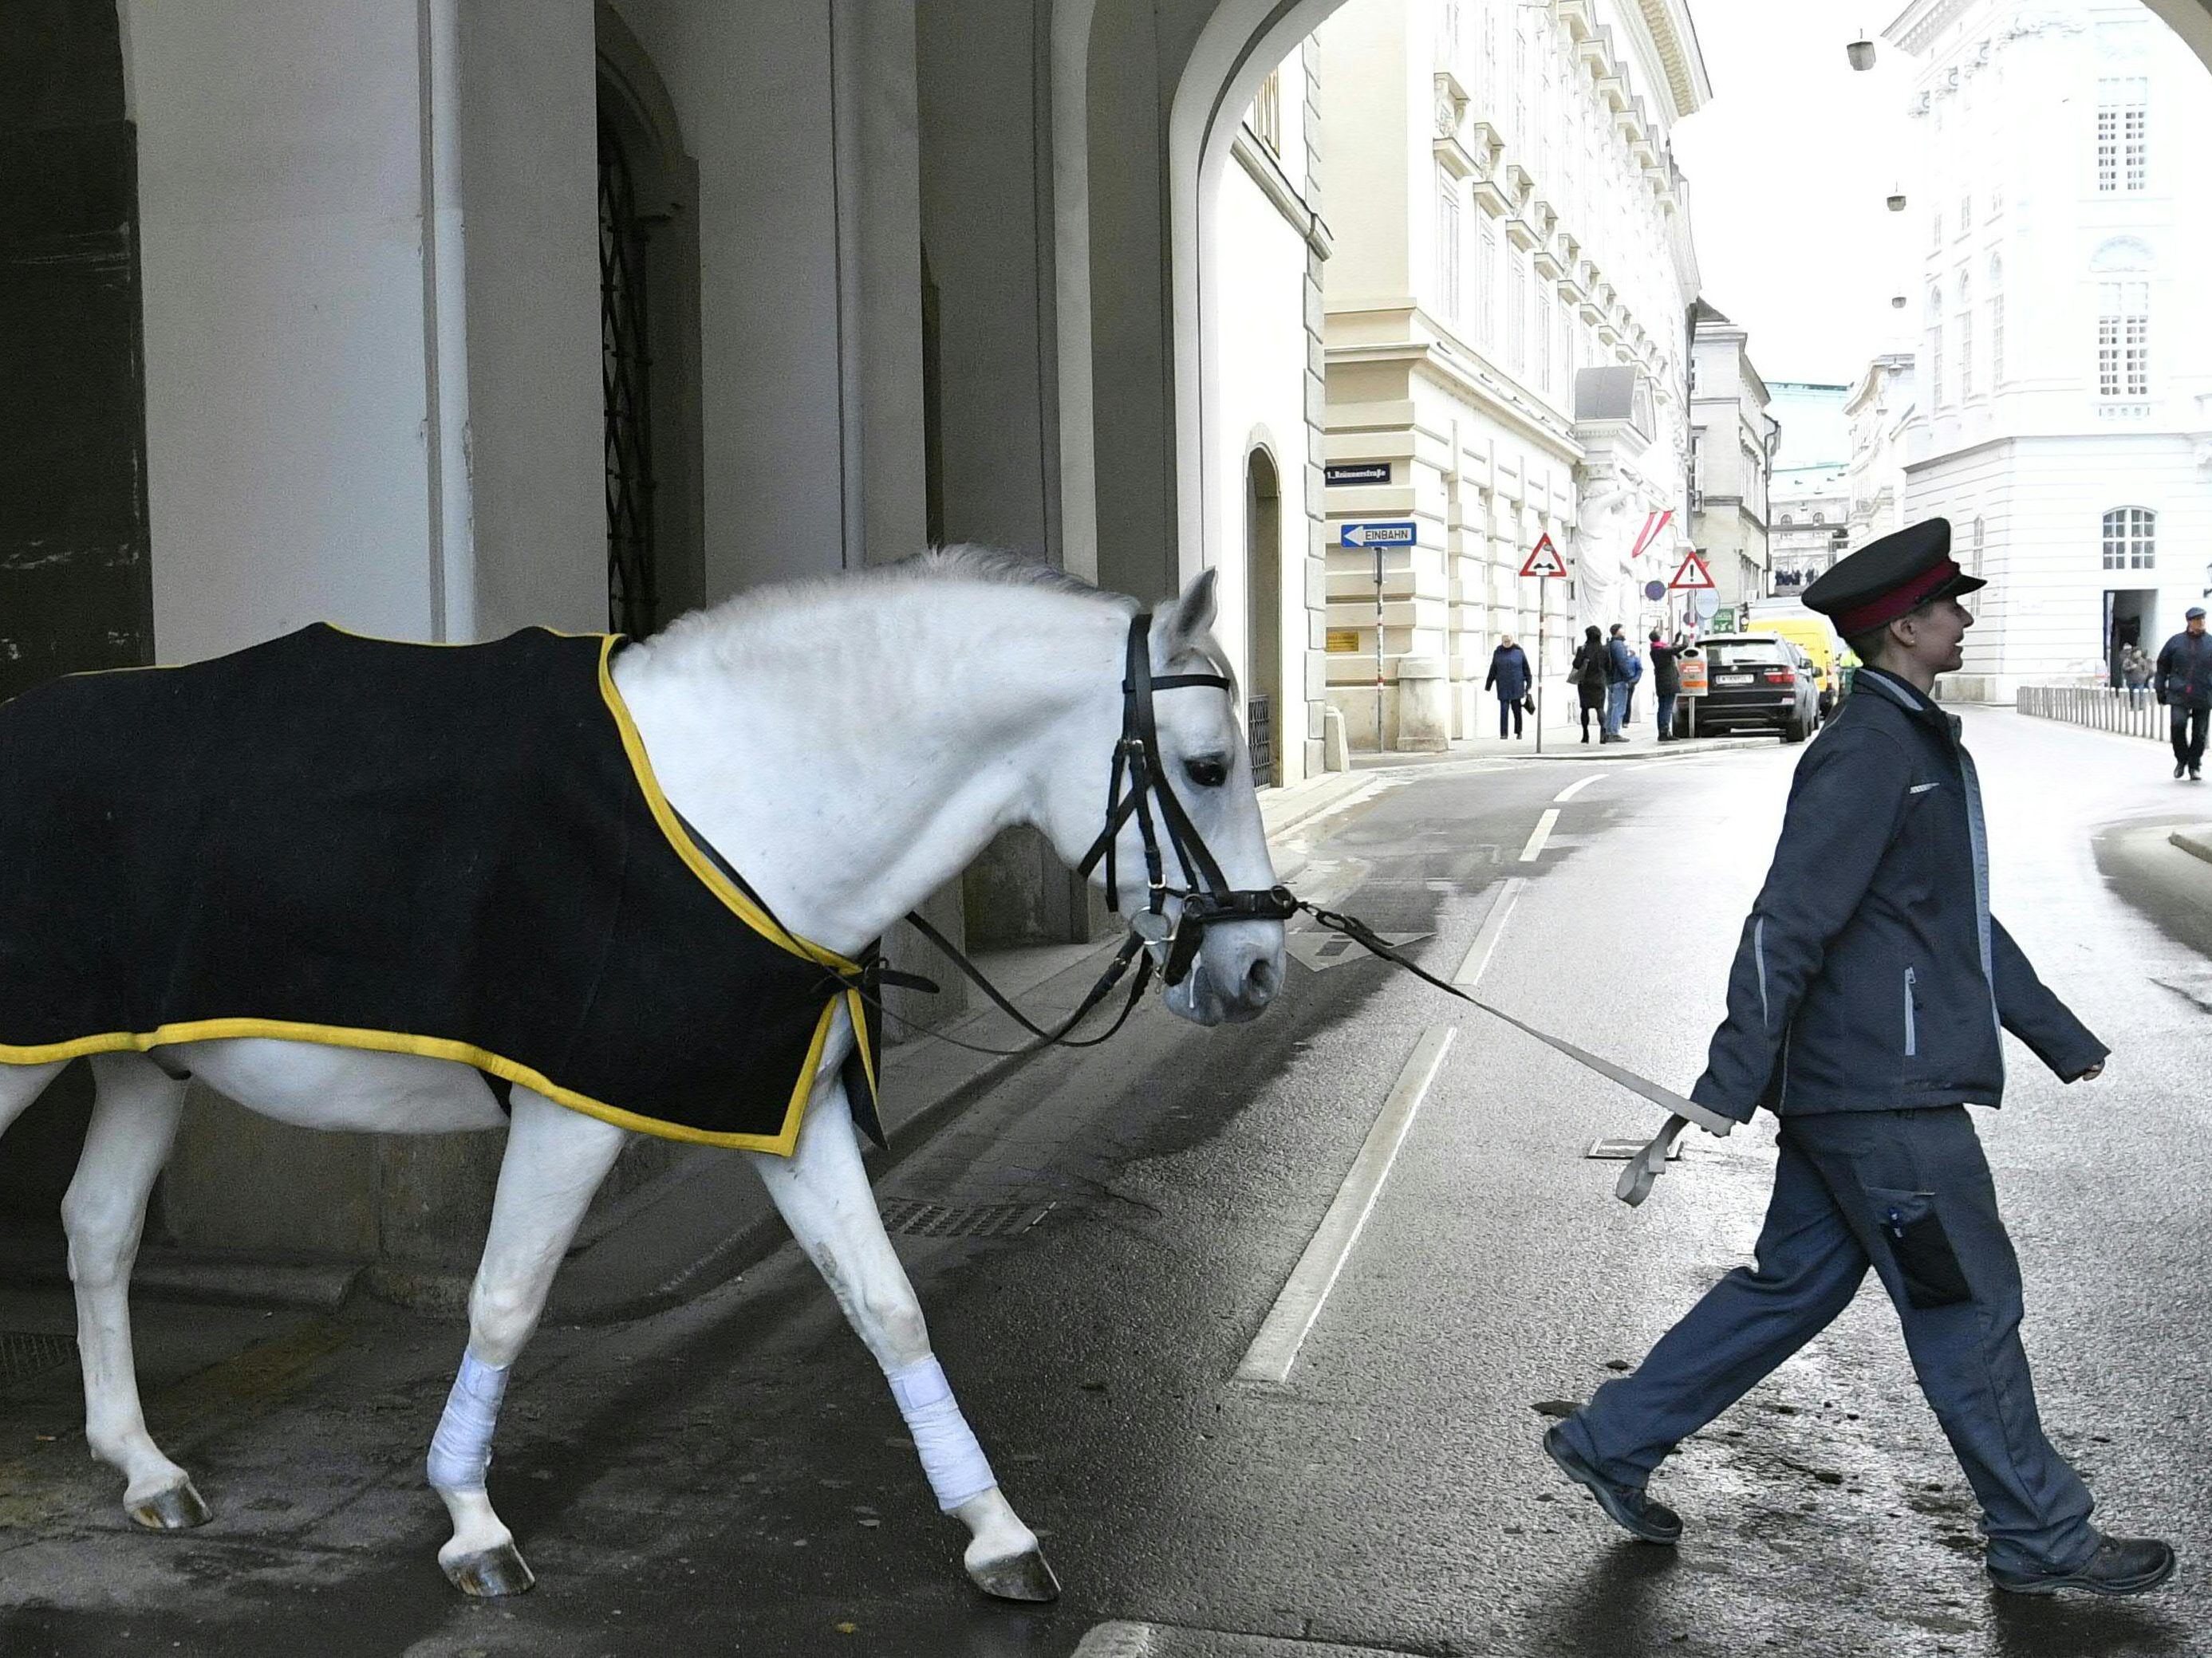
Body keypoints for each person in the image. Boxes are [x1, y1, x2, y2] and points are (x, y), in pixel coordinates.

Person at [1544, 516, 2174, 1600]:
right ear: (1901, 628)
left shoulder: (1910, 734)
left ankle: (1614, 1437)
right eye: (1950, 605)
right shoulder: (1873, 749)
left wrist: (2056, 1033)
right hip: (1884, 1096)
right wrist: (1727, 1079)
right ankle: (2038, 1528)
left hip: (1868, 1084)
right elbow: (1785, 918)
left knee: (1788, 1285)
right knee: (1966, 1302)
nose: (1965, 617)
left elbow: (1947, 918)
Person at [2154, 607, 2212, 781]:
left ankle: (2194, 765)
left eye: (2203, 619)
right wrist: (2160, 688)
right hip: (2179, 693)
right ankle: (2181, 759)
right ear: (2189, 622)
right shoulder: (2176, 642)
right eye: (2197, 620)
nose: (2201, 623)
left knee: (2200, 734)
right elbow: (2162, 665)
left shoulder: (2210, 643)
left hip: (2204, 693)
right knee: (2177, 726)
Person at [1485, 636, 1532, 740]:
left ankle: (1519, 731)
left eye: (1508, 641)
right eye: (1504, 641)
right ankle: (1504, 733)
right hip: (1503, 685)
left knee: (1517, 710)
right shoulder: (1498, 652)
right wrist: (1488, 684)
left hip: (1516, 685)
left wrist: (1529, 684)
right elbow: (1493, 669)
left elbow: (1526, 669)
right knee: (1504, 710)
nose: (1506, 643)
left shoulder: (1519, 651)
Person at [1571, 625, 1608, 744]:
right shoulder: (1604, 649)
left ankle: (1585, 734)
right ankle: (1603, 732)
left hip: (1585, 683)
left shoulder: (1582, 649)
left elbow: (1576, 665)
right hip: (1599, 682)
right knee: (1600, 708)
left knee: (1585, 709)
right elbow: (1610, 666)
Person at [1603, 623, 1635, 743]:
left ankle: (1608, 731)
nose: (1624, 630)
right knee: (1619, 707)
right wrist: (1629, 677)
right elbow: (1622, 663)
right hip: (1619, 679)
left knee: (1612, 707)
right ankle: (1614, 732)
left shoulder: (1610, 643)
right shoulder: (1619, 645)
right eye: (1622, 629)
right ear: (1617, 631)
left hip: (1610, 679)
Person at [1648, 630, 1681, 741]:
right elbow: (1677, 649)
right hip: (1669, 682)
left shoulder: (1655, 649)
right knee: (1667, 707)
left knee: (1662, 707)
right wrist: (1686, 640)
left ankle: (1662, 731)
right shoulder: (1661, 650)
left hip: (1661, 682)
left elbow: (1671, 649)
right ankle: (1665, 732)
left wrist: (1676, 640)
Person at [2121, 642, 2151, 708]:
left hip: (2140, 681)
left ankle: (2140, 706)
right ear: (2134, 653)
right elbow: (2124, 668)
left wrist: (2144, 677)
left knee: (2140, 693)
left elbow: (2146, 670)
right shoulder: (2128, 660)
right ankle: (2133, 705)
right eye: (2138, 653)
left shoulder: (2142, 661)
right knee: (2132, 694)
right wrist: (2131, 668)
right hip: (2131, 681)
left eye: (2140, 653)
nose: (2139, 654)